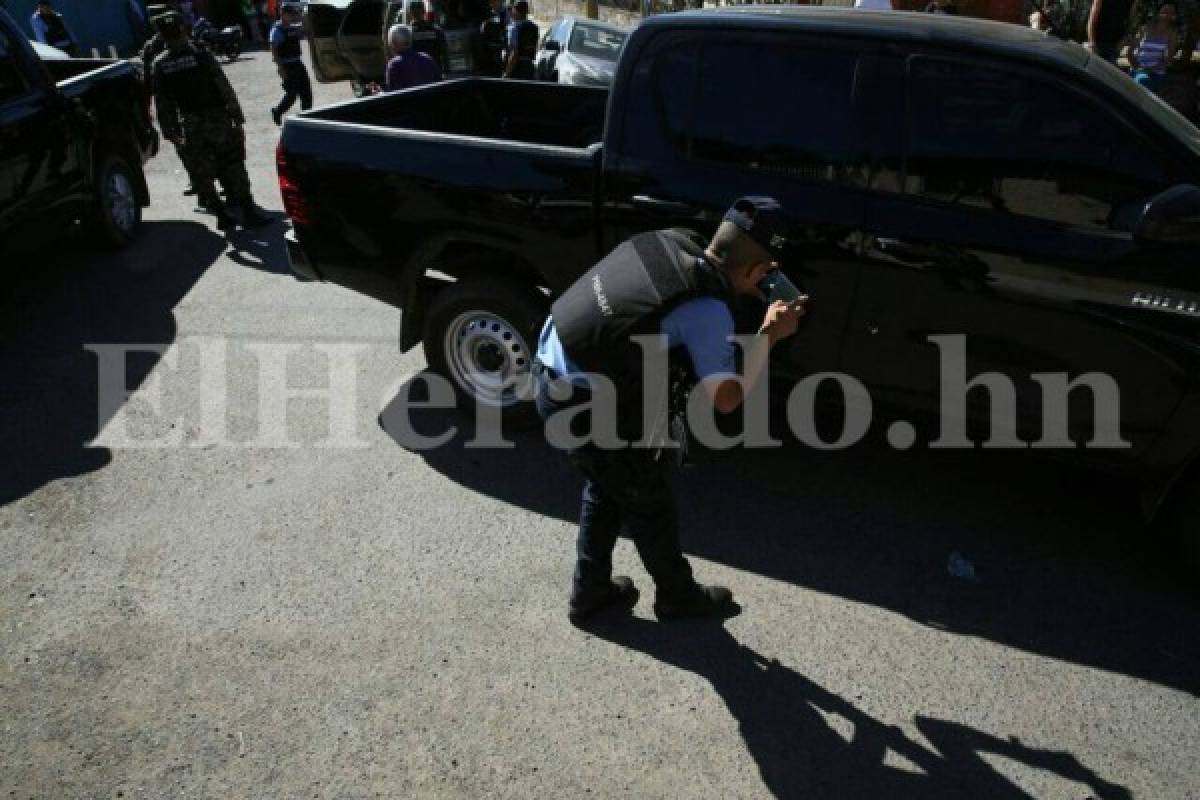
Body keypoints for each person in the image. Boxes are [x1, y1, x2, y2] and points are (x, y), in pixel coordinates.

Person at [533, 197, 808, 625]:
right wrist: (770, 334)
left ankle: (590, 594)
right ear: (756, 271)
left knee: (609, 482)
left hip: (550, 370)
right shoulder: (707, 309)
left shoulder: (665, 241)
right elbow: (728, 398)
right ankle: (677, 598)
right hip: (585, 403)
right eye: (766, 271)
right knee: (647, 497)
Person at [151, 12, 271, 231]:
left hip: (190, 123)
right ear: (183, 29)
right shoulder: (200, 53)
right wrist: (236, 115)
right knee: (233, 164)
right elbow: (221, 84)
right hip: (217, 119)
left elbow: (163, 103)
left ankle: (221, 215)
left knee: (201, 171)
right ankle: (247, 211)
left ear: (162, 35)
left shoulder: (160, 64)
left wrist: (171, 132)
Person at [141, 6, 210, 201]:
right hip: (174, 106)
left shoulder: (186, 40)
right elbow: (148, 80)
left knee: (204, 147)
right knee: (187, 148)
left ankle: (210, 185)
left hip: (194, 103)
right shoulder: (151, 48)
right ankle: (199, 185)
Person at [270, 2, 313, 125]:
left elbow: (305, 30)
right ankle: (277, 112)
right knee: (291, 95)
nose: (292, 17)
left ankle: (307, 119)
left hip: (298, 64)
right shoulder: (277, 30)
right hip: (287, 66)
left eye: (293, 14)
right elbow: (274, 51)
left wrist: (301, 16)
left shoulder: (292, 28)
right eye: (290, 14)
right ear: (282, 14)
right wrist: (281, 69)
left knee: (306, 93)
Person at [1129, 3, 1181, 93]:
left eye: (1171, 13)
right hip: (1138, 68)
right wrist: (1137, 67)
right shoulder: (1144, 28)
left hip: (1156, 72)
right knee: (1140, 81)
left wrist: (1151, 69)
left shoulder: (1172, 33)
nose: (1167, 15)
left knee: (1144, 83)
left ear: (1174, 16)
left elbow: (1168, 59)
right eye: (1164, 11)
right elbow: (1130, 52)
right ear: (1158, 13)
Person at [382, 23, 443, 91]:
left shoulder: (394, 65)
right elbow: (440, 84)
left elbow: (392, 95)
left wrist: (379, 93)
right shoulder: (427, 58)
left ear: (393, 43)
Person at [409, 1, 448, 73]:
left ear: (410, 13)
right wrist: (446, 71)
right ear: (424, 11)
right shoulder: (436, 30)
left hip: (417, 73)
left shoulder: (407, 33)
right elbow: (444, 53)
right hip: (434, 71)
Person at [504, 0, 538, 79]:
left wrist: (507, 73)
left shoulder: (514, 28)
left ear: (516, 11)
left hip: (516, 68)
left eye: (512, 9)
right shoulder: (534, 27)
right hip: (529, 67)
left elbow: (514, 53)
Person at [478, 0, 509, 78]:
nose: (491, 4)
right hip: (490, 50)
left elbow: (508, 31)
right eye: (490, 2)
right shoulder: (489, 13)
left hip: (502, 50)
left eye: (493, 1)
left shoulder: (507, 13)